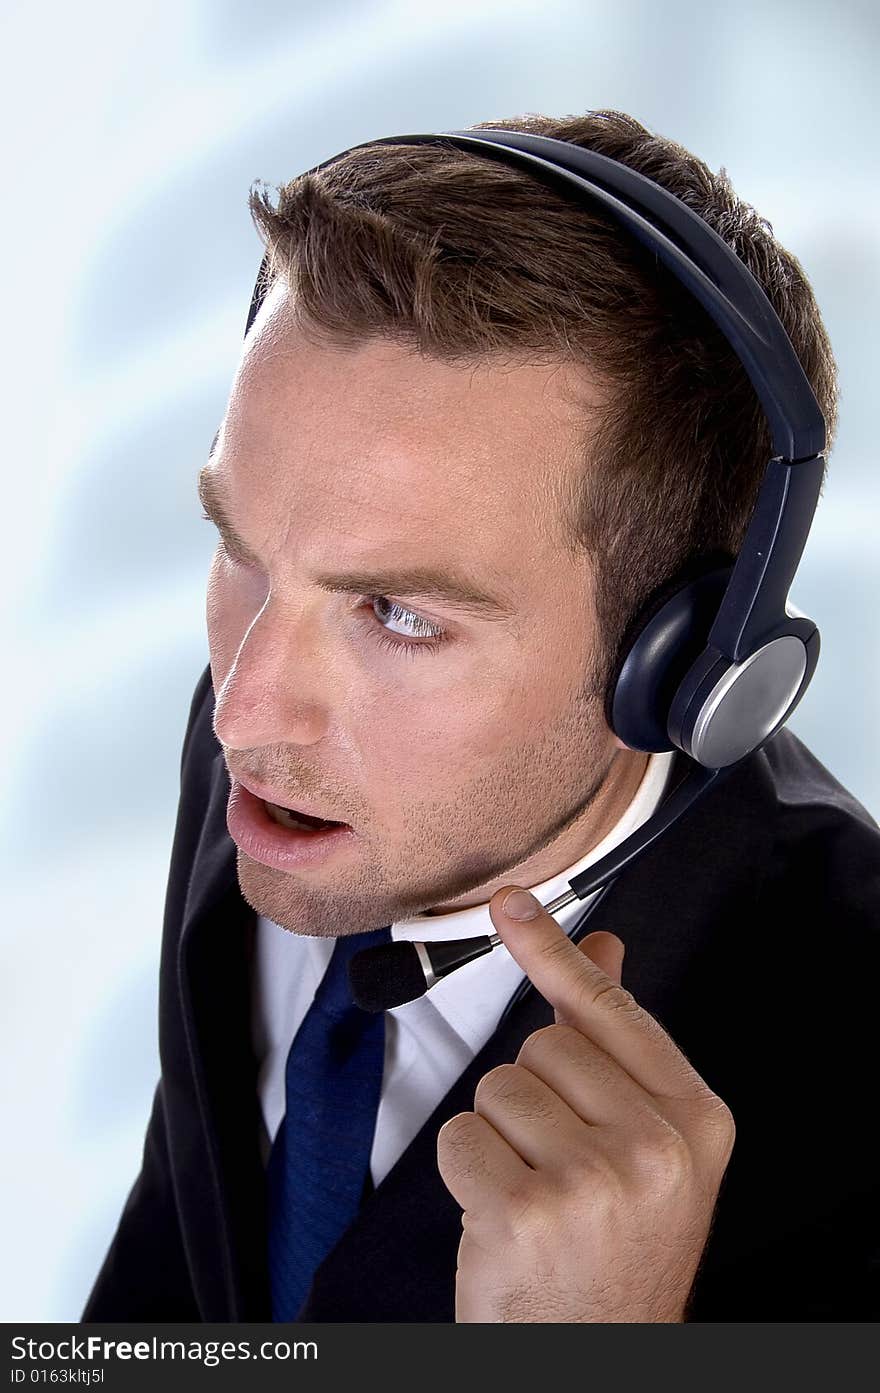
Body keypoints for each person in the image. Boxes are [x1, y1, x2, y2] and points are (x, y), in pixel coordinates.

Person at [81, 109, 880, 1323]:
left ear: (681, 668)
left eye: (397, 614)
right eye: (238, 547)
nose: (243, 709)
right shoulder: (277, 739)